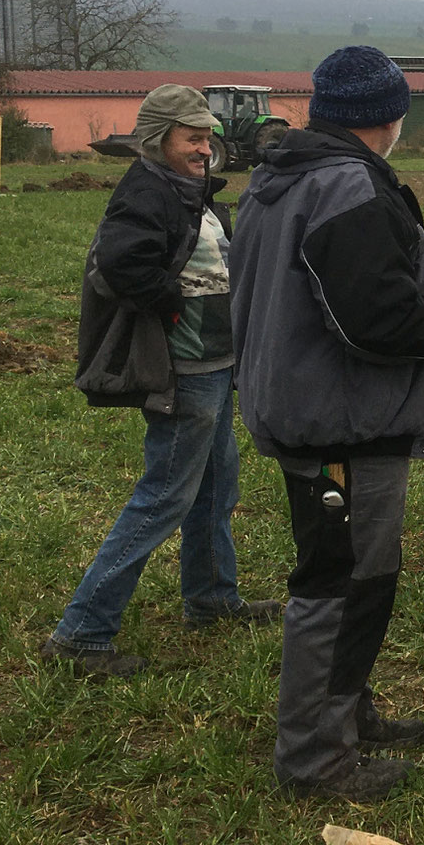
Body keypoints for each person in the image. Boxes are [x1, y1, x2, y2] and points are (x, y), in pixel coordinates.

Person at [232, 46, 424, 801]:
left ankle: (345, 711)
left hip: (306, 407)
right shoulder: (347, 185)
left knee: (351, 576)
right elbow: (375, 323)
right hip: (340, 422)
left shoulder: (286, 176)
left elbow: (316, 284)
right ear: (391, 114)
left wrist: (422, 274)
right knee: (341, 585)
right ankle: (316, 759)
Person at [45, 84, 279, 677]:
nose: (205, 147)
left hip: (215, 363)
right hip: (185, 369)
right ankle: (81, 633)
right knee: (162, 500)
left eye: (207, 136)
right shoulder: (146, 191)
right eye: (192, 137)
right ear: (157, 141)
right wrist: (171, 302)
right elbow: (120, 264)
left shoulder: (184, 187)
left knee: (215, 487)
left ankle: (211, 599)